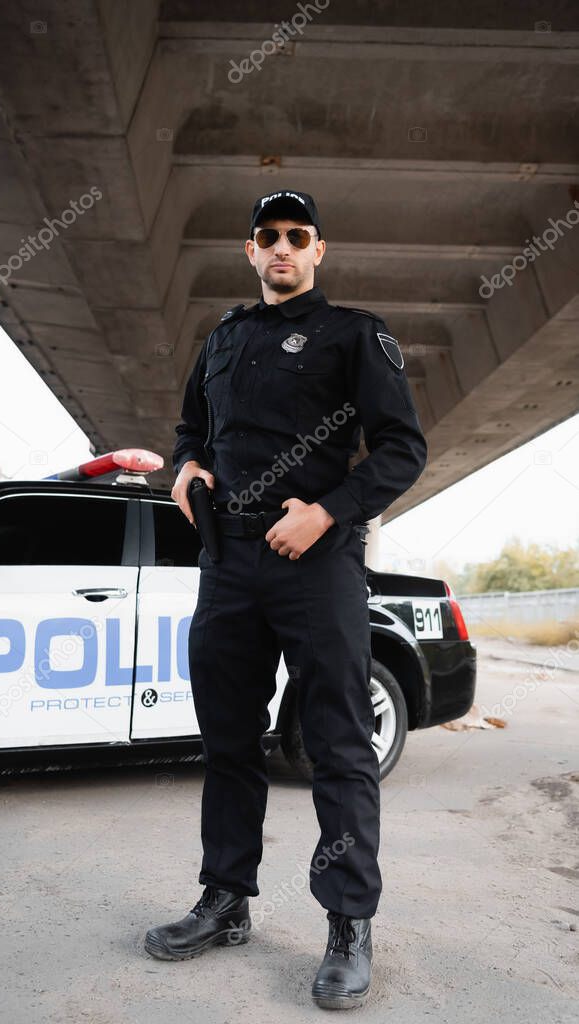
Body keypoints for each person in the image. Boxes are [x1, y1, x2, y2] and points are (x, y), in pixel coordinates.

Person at [144, 189, 428, 1010]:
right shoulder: (224, 337)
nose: (280, 248)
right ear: (250, 251)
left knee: (337, 746)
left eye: (295, 236)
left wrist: (328, 511)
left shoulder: (354, 334)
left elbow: (402, 448)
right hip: (228, 561)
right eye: (267, 236)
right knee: (227, 742)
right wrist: (185, 468)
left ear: (316, 251)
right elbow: (192, 427)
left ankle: (347, 923)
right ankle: (225, 898)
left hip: (315, 561)